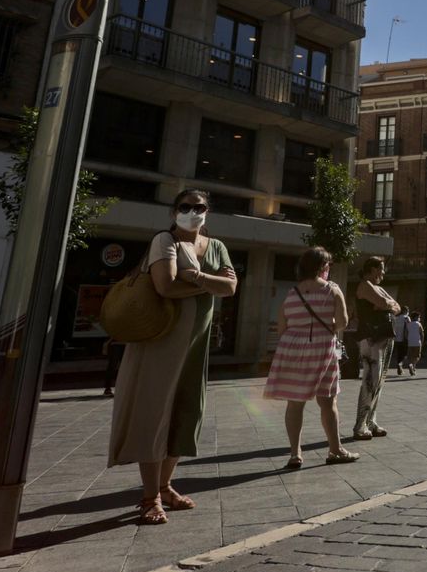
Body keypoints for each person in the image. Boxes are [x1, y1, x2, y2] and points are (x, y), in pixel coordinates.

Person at [109, 190, 239, 524]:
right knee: (154, 413)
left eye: (199, 207)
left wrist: (193, 277)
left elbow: (231, 288)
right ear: (173, 211)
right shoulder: (163, 240)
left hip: (196, 344)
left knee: (186, 412)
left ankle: (166, 486)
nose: (193, 212)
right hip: (161, 340)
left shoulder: (217, 246)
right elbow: (165, 287)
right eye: (186, 207)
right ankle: (150, 496)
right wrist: (211, 284)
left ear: (208, 212)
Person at [265, 246, 359, 469]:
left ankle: (295, 454)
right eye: (328, 265)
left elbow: (282, 327)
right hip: (322, 347)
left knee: (295, 403)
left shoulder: (291, 293)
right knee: (328, 401)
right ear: (322, 266)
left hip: (292, 349)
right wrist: (323, 326)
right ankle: (335, 450)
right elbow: (343, 322)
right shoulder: (332, 290)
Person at [351, 256, 400, 440]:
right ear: (371, 269)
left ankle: (371, 421)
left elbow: (397, 307)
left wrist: (386, 304)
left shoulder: (377, 288)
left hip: (383, 338)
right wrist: (386, 304)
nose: (383, 273)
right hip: (371, 338)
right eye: (381, 269)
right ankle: (359, 425)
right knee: (370, 381)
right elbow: (385, 303)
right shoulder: (365, 285)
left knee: (379, 382)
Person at [390, 310, 410, 377]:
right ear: (407, 311)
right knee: (405, 353)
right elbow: (409, 328)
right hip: (404, 339)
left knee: (399, 353)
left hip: (396, 339)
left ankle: (399, 365)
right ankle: (400, 364)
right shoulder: (406, 318)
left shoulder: (396, 318)